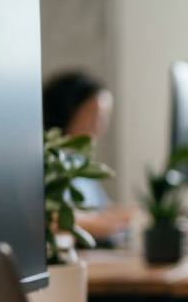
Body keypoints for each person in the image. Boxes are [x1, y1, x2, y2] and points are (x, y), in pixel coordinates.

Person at [42, 70, 134, 245]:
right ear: (68, 110)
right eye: (96, 115)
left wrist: (134, 216)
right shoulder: (50, 164)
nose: (102, 125)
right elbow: (54, 219)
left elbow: (104, 211)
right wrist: (111, 223)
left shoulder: (79, 163)